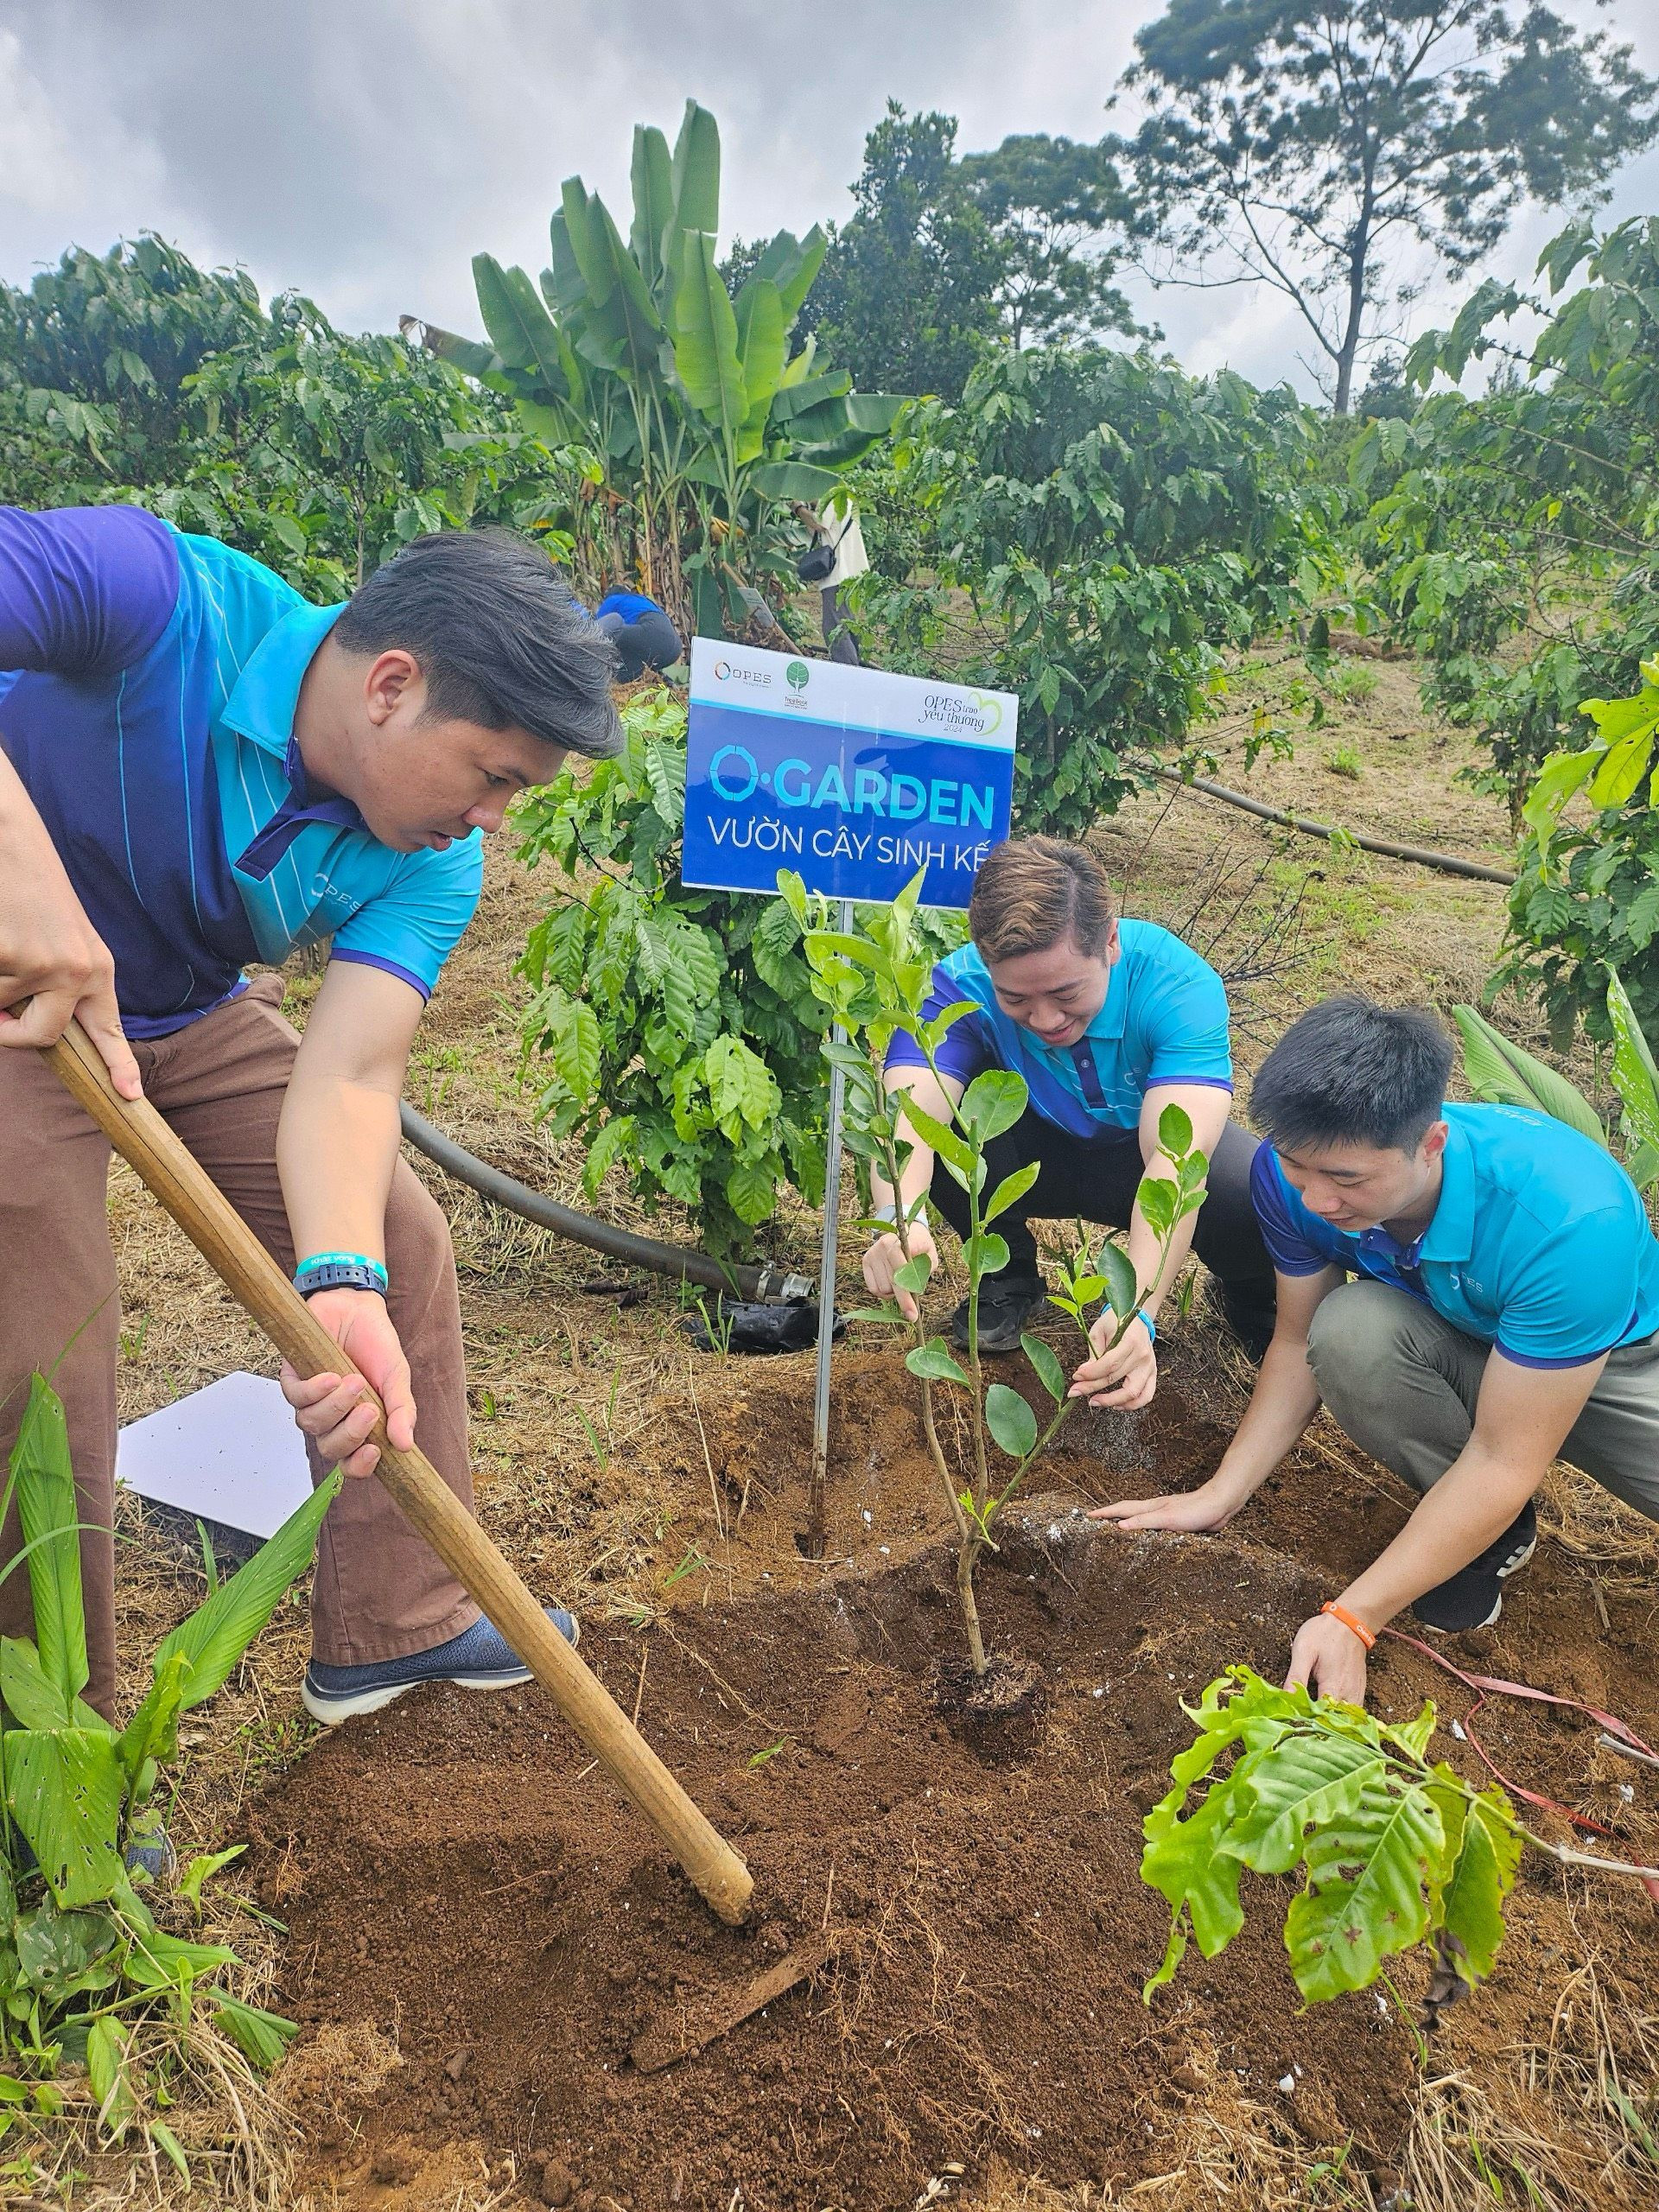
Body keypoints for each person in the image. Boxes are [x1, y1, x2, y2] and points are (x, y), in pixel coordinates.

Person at [0, 505, 620, 1727]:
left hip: (183, 1007)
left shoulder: (433, 857)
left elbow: (345, 1080)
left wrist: (338, 1284)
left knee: (404, 1245)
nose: (497, 820)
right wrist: (23, 875)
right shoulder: (153, 600)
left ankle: (397, 1625)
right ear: (392, 685)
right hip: (18, 1010)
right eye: (496, 776)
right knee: (40, 1354)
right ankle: (57, 1753)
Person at [1094, 996, 1659, 1705]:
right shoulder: (1291, 1175)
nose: (1320, 1200)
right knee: (1348, 1327)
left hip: (1609, 1360)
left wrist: (1351, 1620)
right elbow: (1297, 1341)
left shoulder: (1570, 1220)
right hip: (1458, 1325)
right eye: (1301, 1169)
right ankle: (1484, 1533)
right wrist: (1220, 1493)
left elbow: (1505, 1455)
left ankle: (1472, 1513)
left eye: (1348, 1180)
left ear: (1431, 1143)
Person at [862, 836, 1277, 1406]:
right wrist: (897, 1216)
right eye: (1016, 1000)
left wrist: (1136, 1312)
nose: (1045, 1019)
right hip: (1030, 1152)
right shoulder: (956, 987)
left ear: (1109, 941)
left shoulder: (1175, 985)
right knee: (948, 1127)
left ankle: (1254, 1302)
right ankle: (1005, 1278)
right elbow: (906, 1122)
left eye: (1065, 993)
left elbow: (1176, 1164)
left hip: (1137, 1156)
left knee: (1256, 1191)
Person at [592, 588, 683, 683]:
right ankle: (664, 681)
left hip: (653, 633)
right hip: (675, 649)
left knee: (611, 635)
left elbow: (596, 630)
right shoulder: (643, 600)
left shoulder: (614, 598)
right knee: (627, 672)